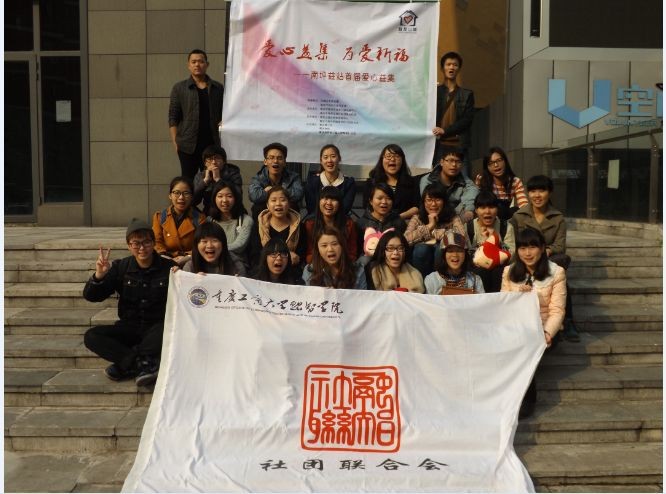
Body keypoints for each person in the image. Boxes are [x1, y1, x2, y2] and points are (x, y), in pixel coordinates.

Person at [83, 219, 176, 387]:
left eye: (146, 242)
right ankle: (142, 364)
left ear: (154, 243)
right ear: (129, 246)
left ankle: (125, 365)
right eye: (136, 243)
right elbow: (92, 296)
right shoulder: (121, 267)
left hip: (156, 330)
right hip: (129, 328)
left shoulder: (169, 267)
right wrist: (99, 276)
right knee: (92, 336)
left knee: (169, 328)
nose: (142, 248)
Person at [501, 227, 566, 418]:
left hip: (543, 328)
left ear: (542, 248)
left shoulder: (557, 272)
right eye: (522, 248)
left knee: (525, 346)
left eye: (532, 247)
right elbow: (503, 305)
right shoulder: (508, 271)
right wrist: (517, 295)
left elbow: (557, 311)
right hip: (515, 326)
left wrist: (547, 333)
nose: (527, 253)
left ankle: (527, 399)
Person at [511, 175, 579, 342]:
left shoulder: (558, 218)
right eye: (533, 191)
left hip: (548, 260)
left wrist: (546, 251)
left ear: (550, 192)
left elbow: (560, 245)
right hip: (525, 259)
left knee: (559, 277)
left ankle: (567, 321)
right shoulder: (519, 216)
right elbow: (513, 243)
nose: (537, 195)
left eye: (542, 190)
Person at [169, 49, 224, 180]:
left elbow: (224, 113)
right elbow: (173, 117)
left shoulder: (218, 88)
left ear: (207, 64)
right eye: (193, 62)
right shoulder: (179, 88)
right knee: (188, 181)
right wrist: (176, 142)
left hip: (211, 144)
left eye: (201, 61)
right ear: (188, 65)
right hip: (187, 146)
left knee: (211, 180)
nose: (197, 65)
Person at [405, 183, 467, 277]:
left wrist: (435, 233)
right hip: (421, 264)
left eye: (438, 200)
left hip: (446, 266)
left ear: (444, 202)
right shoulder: (417, 218)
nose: (433, 204)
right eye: (429, 200)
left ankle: (443, 280)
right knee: (421, 249)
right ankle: (422, 282)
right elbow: (405, 240)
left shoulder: (453, 217)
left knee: (440, 249)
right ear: (424, 202)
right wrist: (429, 226)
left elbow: (462, 238)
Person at [431, 51, 475, 175]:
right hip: (439, 146)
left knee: (465, 181)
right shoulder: (434, 92)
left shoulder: (467, 94)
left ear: (459, 69)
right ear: (442, 68)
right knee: (437, 179)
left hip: (460, 145)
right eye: (448, 64)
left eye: (455, 65)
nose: (451, 67)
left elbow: (467, 120)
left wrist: (445, 131)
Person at [466, 191, 515, 292]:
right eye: (483, 207)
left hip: (499, 268)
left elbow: (512, 255)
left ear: (497, 209)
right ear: (476, 210)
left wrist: (495, 239)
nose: (487, 211)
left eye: (492, 207)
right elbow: (465, 254)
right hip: (477, 269)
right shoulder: (468, 227)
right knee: (481, 272)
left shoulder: (505, 227)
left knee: (499, 272)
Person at [249, 186, 306, 270]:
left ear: (289, 204)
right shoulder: (258, 226)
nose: (278, 203)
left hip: (292, 271)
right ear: (267, 205)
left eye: (282, 200)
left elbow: (302, 254)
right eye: (273, 200)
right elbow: (254, 256)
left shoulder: (299, 226)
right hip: (264, 271)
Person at [152, 176, 205, 267]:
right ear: (170, 195)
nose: (181, 197)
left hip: (190, 261)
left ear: (192, 196)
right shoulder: (159, 217)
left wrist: (187, 257)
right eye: (176, 193)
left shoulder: (200, 219)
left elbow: (202, 244)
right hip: (164, 260)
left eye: (186, 193)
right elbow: (157, 242)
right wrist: (166, 258)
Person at [207, 180, 253, 275]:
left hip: (236, 267)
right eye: (220, 196)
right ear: (214, 199)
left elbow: (239, 246)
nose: (224, 200)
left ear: (236, 198)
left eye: (229, 196)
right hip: (212, 266)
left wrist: (214, 249)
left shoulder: (246, 220)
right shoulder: (209, 221)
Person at [419, 148, 478, 222]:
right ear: (441, 162)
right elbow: (429, 204)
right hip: (432, 216)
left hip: (457, 218)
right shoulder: (427, 180)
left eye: (458, 161)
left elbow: (471, 198)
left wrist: (468, 210)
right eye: (450, 160)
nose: (454, 165)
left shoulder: (466, 181)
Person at [363, 144, 420, 220]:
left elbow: (417, 207)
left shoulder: (412, 182)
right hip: (377, 222)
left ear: (402, 160)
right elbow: (367, 206)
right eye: (388, 156)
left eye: (397, 156)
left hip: (404, 222)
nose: (392, 159)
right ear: (382, 160)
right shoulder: (371, 182)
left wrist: (398, 218)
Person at [248, 142, 304, 219]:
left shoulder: (294, 177)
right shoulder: (258, 178)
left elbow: (298, 195)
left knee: (292, 206)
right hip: (264, 216)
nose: (275, 161)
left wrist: (272, 191)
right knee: (258, 207)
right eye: (271, 158)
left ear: (284, 162)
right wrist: (282, 195)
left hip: (287, 216)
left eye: (279, 158)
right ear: (265, 162)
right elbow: (254, 196)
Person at [303, 186, 358, 264]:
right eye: (325, 198)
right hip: (318, 265)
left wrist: (336, 264)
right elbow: (309, 254)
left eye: (333, 199)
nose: (329, 203)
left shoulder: (349, 224)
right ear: (319, 202)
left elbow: (352, 254)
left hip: (343, 265)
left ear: (339, 204)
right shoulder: (310, 224)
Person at [302, 226, 366, 289]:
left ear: (342, 246)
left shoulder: (358, 270)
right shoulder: (309, 271)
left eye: (334, 244)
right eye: (324, 245)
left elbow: (363, 295)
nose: (330, 249)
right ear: (317, 249)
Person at [356, 182, 407, 260]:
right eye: (379, 198)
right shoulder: (361, 223)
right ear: (371, 201)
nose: (384, 202)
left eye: (388, 198)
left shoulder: (398, 222)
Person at [475, 147, 528, 220]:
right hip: (487, 217)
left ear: (505, 161)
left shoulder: (515, 181)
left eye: (499, 160)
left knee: (516, 210)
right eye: (491, 163)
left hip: (506, 218)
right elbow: (477, 203)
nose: (496, 165)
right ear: (487, 167)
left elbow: (523, 204)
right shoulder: (481, 179)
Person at [424, 231, 484, 295]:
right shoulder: (432, 280)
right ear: (443, 255)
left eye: (459, 251)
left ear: (465, 254)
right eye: (450, 251)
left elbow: (482, 301)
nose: (455, 255)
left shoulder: (475, 280)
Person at [304, 144, 356, 216]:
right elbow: (311, 208)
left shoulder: (349, 183)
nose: (329, 160)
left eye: (333, 156)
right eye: (325, 157)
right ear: (321, 161)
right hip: (316, 220)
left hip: (340, 221)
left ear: (339, 159)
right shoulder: (312, 181)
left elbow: (345, 209)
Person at [192, 145, 242, 213]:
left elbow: (238, 196)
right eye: (209, 159)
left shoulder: (233, 173)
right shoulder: (200, 176)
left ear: (224, 161)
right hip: (209, 211)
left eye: (217, 158)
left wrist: (218, 180)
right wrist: (205, 182)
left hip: (232, 210)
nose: (213, 162)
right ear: (205, 163)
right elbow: (193, 201)